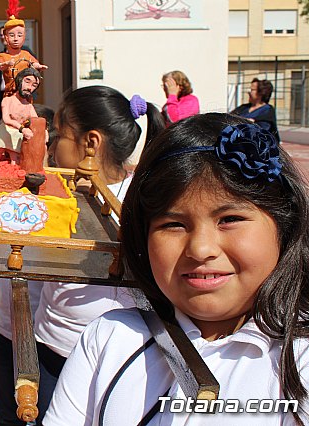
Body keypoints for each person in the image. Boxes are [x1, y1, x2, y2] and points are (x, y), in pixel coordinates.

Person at [44, 113, 309, 425]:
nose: (200, 249)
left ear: (283, 225)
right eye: (173, 224)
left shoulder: (298, 359)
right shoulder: (109, 337)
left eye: (229, 219)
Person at [26, 86, 166, 422]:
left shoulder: (138, 204)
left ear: (91, 142)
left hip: (112, 357)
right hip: (50, 349)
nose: (52, 142)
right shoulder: (60, 190)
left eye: (59, 133)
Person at [0, 11, 47, 98]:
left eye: (19, 35)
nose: (15, 39)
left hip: (25, 92)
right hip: (9, 93)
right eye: (11, 35)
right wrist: (5, 64)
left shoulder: (25, 51)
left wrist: (37, 66)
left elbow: (32, 64)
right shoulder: (1, 55)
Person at [231, 78, 280, 142]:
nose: (248, 92)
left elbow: (262, 130)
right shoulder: (243, 108)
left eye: (252, 90)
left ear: (261, 92)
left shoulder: (267, 110)